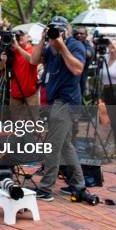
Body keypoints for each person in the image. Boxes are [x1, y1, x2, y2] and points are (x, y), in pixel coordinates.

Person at [30, 16, 86, 201]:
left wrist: (62, 47)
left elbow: (77, 69)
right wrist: (42, 39)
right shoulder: (49, 47)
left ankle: (46, 189)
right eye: (52, 30)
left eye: (58, 30)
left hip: (67, 101)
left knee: (52, 145)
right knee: (65, 145)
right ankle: (78, 185)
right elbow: (33, 60)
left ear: (66, 31)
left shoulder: (75, 45)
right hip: (56, 101)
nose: (55, 34)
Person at [0, 30, 39, 106]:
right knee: (16, 118)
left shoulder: (33, 50)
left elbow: (32, 60)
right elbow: (1, 68)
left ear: (28, 38)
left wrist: (17, 47)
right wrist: (3, 61)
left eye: (22, 35)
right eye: (17, 36)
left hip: (31, 94)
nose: (19, 37)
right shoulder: (11, 51)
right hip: (15, 94)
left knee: (32, 117)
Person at [73, 27, 93, 101]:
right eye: (76, 33)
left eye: (81, 34)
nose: (78, 35)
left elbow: (88, 54)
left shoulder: (88, 47)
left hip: (81, 79)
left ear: (86, 35)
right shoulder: (71, 44)